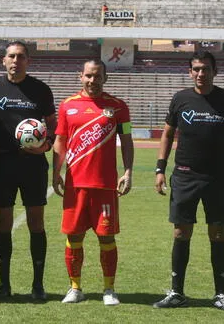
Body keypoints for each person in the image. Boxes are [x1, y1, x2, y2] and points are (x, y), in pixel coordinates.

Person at [153, 51, 224, 312]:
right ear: (190, 72)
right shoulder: (181, 99)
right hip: (185, 175)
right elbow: (166, 135)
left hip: (218, 177)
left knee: (218, 234)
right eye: (196, 69)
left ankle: (221, 294)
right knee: (180, 232)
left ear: (214, 71)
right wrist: (160, 168)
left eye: (205, 69)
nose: (201, 73)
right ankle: (176, 292)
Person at [52, 59, 134, 306]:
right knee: (74, 236)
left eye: (97, 76)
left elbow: (127, 140)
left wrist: (128, 171)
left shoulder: (118, 107)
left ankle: (109, 289)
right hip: (75, 186)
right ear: (81, 76)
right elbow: (60, 140)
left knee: (106, 238)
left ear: (105, 78)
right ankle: (75, 288)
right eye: (88, 76)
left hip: (105, 185)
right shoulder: (68, 106)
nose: (92, 80)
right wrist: (55, 172)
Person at [0, 41, 56, 300]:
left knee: (36, 223)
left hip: (33, 166)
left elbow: (53, 126)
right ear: (4, 60)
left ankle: (38, 286)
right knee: (4, 224)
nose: (16, 61)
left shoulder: (41, 90)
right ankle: (4, 285)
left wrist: (45, 145)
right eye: (11, 56)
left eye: (21, 57)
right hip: (3, 165)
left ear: (28, 61)